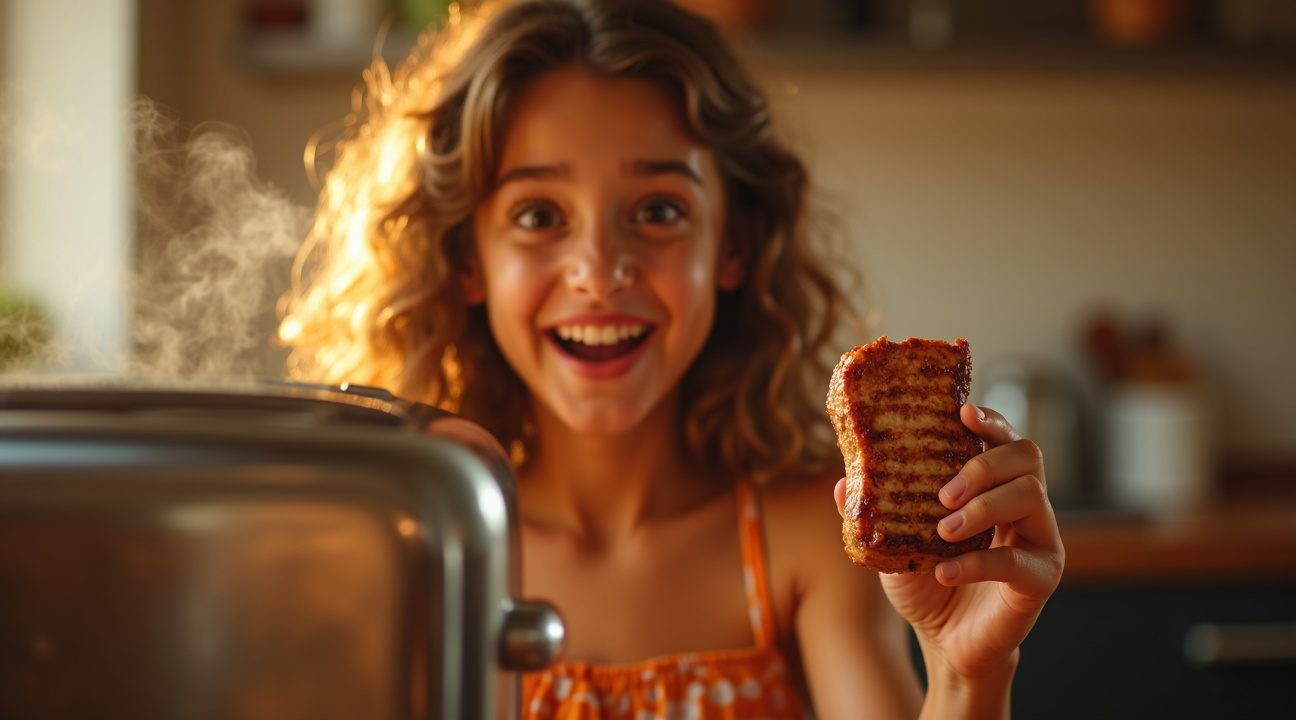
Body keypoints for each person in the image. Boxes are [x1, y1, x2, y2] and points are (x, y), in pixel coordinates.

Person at [277, 0, 1065, 717]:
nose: (599, 268)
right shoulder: (409, 547)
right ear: (467, 260)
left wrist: (967, 676)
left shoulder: (803, 538)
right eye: (539, 214)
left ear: (734, 245)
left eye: (658, 210)